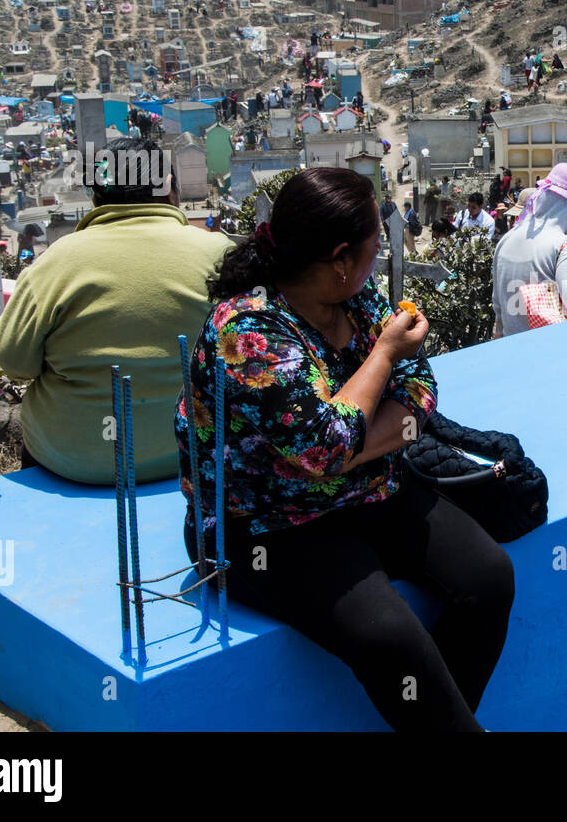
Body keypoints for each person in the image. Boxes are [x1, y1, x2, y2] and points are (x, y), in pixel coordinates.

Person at [177, 167, 512, 732]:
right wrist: (380, 360)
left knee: (488, 577)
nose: (378, 257)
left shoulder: (354, 301)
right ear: (339, 259)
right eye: (373, 247)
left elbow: (420, 390)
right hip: (265, 523)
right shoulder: (249, 331)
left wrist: (351, 447)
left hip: (362, 489)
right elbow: (326, 443)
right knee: (391, 638)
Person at [0, 137, 232, 484]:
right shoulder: (220, 252)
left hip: (74, 463)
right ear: (171, 192)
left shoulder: (57, 261)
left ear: (96, 198)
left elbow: (14, 361)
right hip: (195, 454)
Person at [491, 163, 567, 337]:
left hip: (513, 349)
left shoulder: (507, 239)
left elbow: (498, 302)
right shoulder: (564, 247)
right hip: (549, 353)